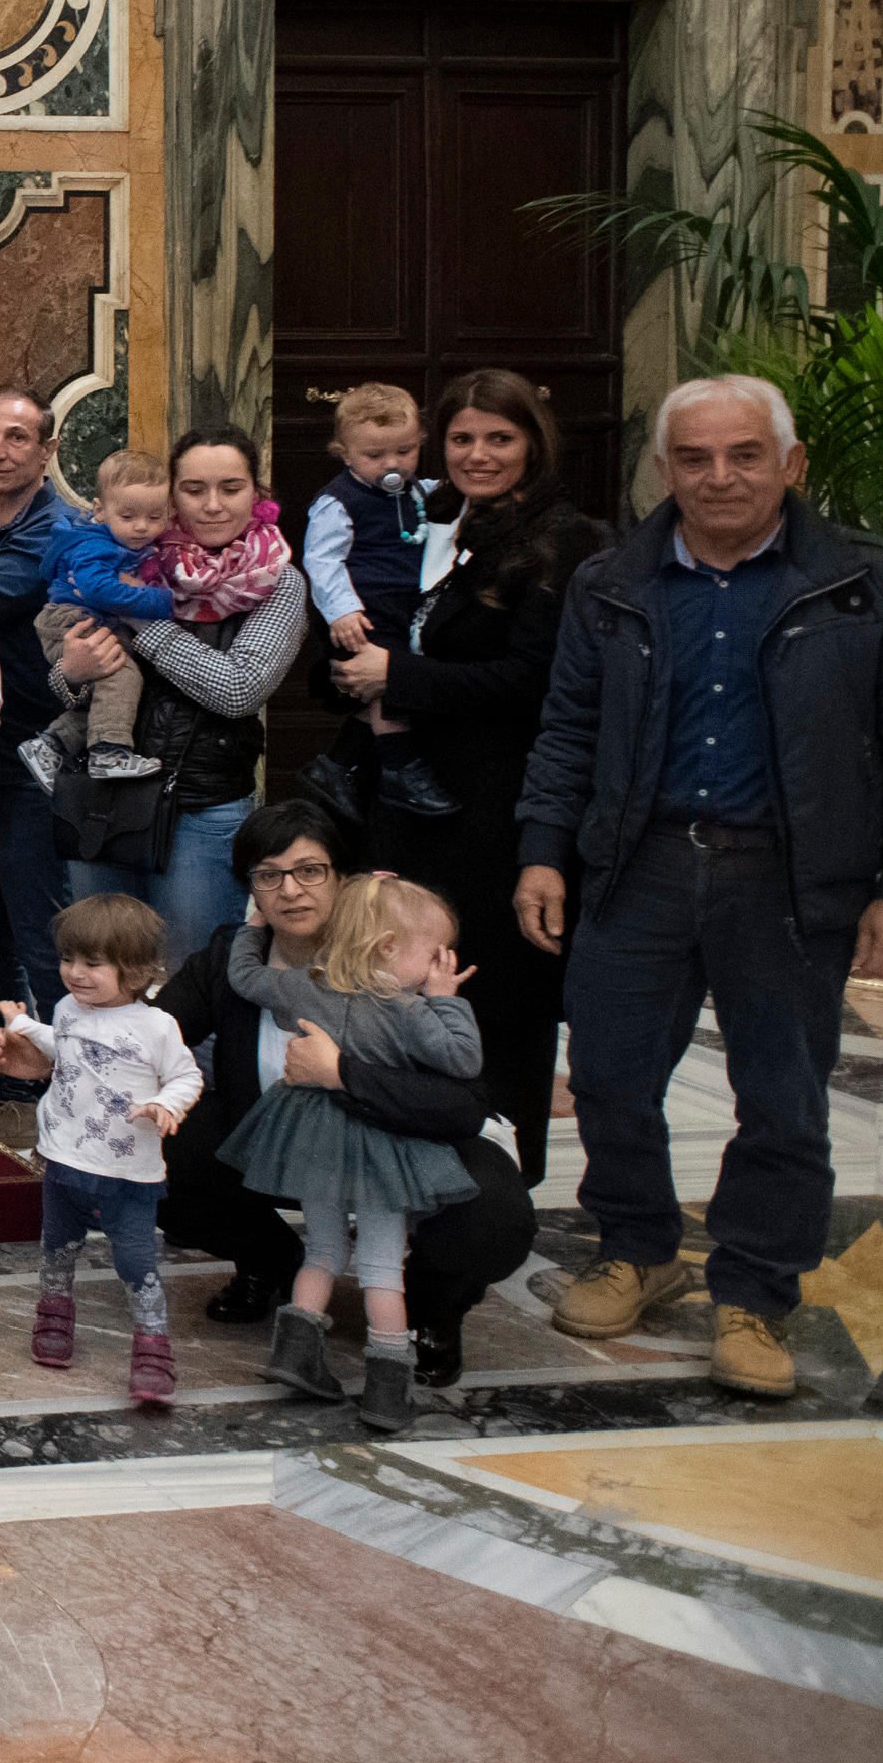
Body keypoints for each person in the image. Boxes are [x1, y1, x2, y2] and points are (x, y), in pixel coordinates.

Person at [520, 373, 883, 1399]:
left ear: (790, 464)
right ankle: (635, 1247)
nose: (719, 476)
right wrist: (541, 848)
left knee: (782, 1099)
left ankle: (754, 1292)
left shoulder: (869, 584)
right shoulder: (609, 583)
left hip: (790, 879)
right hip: (639, 866)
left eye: (744, 454)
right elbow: (568, 726)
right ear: (663, 469)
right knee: (610, 1076)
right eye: (695, 457)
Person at [156, 800, 533, 1387]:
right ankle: (271, 1266)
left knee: (495, 1212)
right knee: (155, 1146)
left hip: (408, 1148)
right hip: (287, 1146)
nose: (290, 890)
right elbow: (150, 1036)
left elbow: (462, 1105)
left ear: (342, 877)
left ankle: (431, 1312)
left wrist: (342, 1073)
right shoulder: (233, 957)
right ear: (251, 887)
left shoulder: (398, 949)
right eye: (269, 875)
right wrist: (54, 1055)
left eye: (310, 870)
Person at [334, 369, 602, 1184]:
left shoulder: (567, 540)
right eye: (461, 438)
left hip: (498, 809)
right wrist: (351, 671)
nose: (478, 454)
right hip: (413, 803)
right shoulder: (436, 521)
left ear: (534, 443)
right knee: (400, 983)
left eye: (499, 438)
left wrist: (399, 676)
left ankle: (495, 1186)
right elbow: (394, 631)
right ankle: (409, 1167)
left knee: (495, 998)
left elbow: (536, 679)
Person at [218, 871, 483, 1432]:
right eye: (434, 955)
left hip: (311, 1139)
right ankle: (386, 1390)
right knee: (382, 1265)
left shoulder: (303, 986)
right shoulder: (407, 1009)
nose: (438, 967)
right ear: (387, 947)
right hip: (379, 1147)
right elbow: (463, 1059)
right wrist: (445, 1000)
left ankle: (295, 1356)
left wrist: (254, 927)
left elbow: (244, 977)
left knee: (322, 1249)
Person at [52, 427, 310, 963]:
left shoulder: (276, 581)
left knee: (191, 977)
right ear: (172, 496)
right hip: (104, 798)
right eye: (194, 489)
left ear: (256, 493)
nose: (212, 504)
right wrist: (71, 672)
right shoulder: (134, 557)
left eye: (230, 487)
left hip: (201, 807)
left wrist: (140, 619)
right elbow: (74, 689)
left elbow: (239, 689)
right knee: (103, 972)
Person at [0, 892, 197, 1404]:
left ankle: (152, 1344)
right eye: (68, 959)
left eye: (93, 963)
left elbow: (187, 1075)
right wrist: (21, 1025)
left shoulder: (157, 1026)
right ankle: (54, 1314)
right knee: (57, 1247)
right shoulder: (67, 1009)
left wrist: (166, 1104)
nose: (75, 973)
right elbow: (62, 1044)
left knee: (135, 1259)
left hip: (128, 1169)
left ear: (136, 970)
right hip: (64, 1157)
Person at [0, 386, 79, 1109]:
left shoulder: (55, 528)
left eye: (17, 437)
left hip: (30, 757)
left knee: (41, 932)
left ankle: (71, 1083)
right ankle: (13, 1077)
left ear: (48, 448)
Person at [303, 382, 454, 818]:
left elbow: (442, 497)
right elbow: (323, 561)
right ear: (345, 453)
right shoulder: (339, 502)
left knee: (379, 693)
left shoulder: (418, 492)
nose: (392, 464)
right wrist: (342, 611)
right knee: (389, 685)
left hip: (405, 607)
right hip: (363, 612)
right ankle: (399, 769)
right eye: (374, 455)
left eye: (405, 451)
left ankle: (336, 765)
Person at [16, 452, 175, 786]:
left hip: (85, 620)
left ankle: (50, 746)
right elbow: (99, 590)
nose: (141, 526)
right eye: (128, 515)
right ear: (100, 510)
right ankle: (109, 754)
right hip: (72, 620)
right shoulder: (94, 545)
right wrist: (164, 601)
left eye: (155, 516)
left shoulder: (126, 542)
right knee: (122, 675)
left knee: (112, 698)